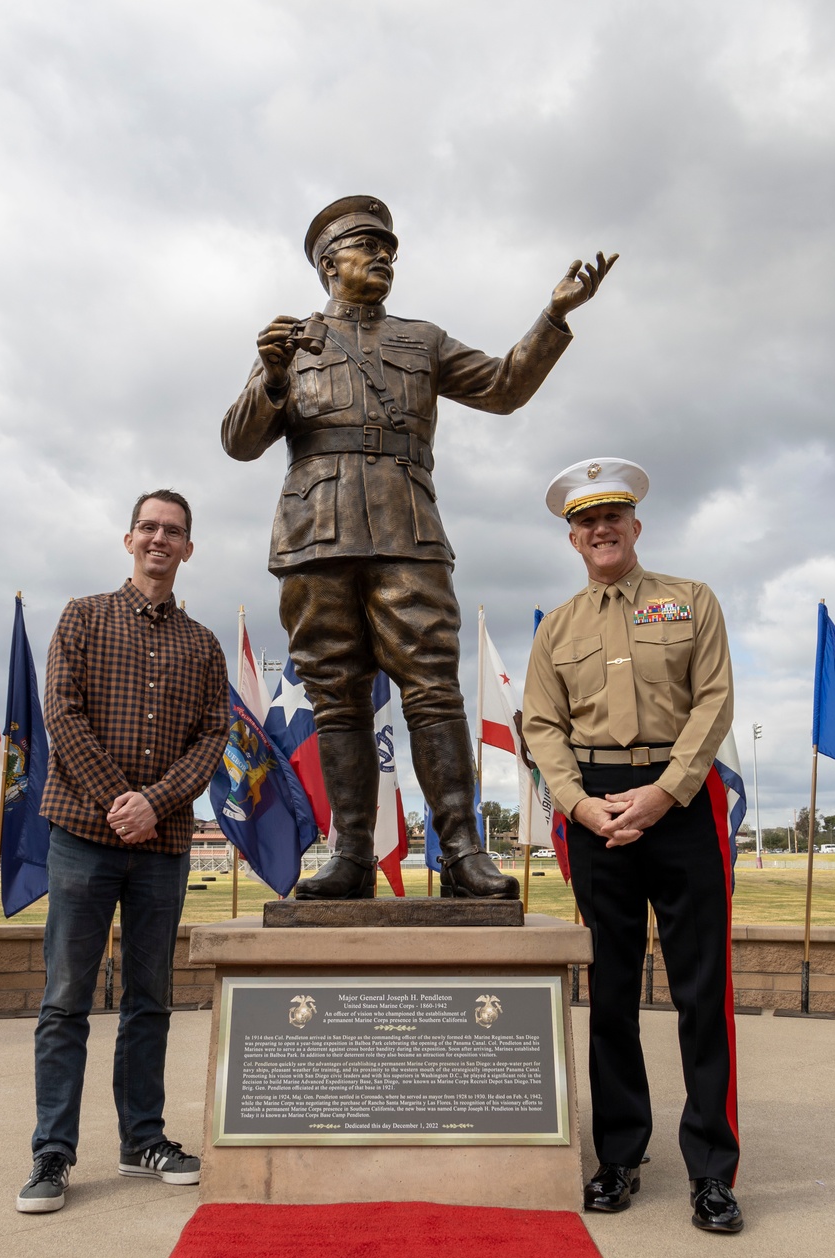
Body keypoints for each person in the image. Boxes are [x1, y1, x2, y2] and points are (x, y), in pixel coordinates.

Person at [222, 195, 617, 900]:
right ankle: (349, 854)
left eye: (390, 249)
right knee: (336, 699)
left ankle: (461, 849)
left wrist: (553, 318)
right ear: (328, 263)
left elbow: (503, 388)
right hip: (317, 539)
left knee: (433, 691)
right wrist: (274, 376)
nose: (383, 257)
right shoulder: (289, 342)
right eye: (367, 246)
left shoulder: (422, 340)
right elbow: (240, 442)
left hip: (409, 531)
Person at [522, 458, 743, 1233]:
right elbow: (542, 727)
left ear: (636, 526)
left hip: (678, 804)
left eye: (613, 515)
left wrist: (663, 793)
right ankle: (618, 1158)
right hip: (595, 814)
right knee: (610, 994)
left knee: (700, 995)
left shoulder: (691, 600)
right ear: (573, 539)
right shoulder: (558, 627)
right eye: (585, 521)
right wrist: (580, 806)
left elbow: (714, 700)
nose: (601, 529)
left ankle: (713, 1172)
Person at [16, 489, 229, 1213]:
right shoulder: (81, 616)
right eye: (149, 527)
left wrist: (156, 804)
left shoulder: (203, 644)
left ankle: (143, 1140)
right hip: (82, 837)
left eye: (174, 531)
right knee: (66, 1000)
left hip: (162, 845)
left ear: (188, 549)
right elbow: (62, 714)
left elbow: (212, 737)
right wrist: (120, 802)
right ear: (129, 539)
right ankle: (53, 1151)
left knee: (150, 1001)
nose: (159, 539)